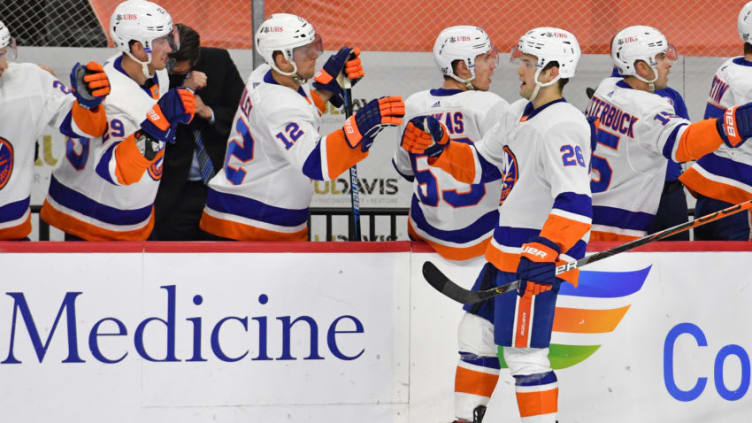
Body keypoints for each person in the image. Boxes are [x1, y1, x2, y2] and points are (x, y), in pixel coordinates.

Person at [403, 27, 592, 423]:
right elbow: (480, 165)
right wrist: (441, 149)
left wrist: (550, 249)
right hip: (502, 252)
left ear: (552, 70)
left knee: (526, 356)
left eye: (527, 63)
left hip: (533, 257)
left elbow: (575, 201)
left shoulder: (565, 124)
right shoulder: (517, 111)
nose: (517, 69)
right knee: (475, 336)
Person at [199, 13, 404, 241]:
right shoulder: (279, 104)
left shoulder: (266, 75)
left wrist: (327, 88)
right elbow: (316, 163)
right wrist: (362, 125)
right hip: (253, 226)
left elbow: (298, 114)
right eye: (304, 50)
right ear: (282, 59)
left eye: (314, 45)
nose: (314, 55)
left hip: (247, 212)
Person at [40, 0, 196, 241]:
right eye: (160, 41)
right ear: (136, 48)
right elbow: (113, 169)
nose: (170, 48)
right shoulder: (113, 97)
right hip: (95, 219)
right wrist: (159, 124)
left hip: (131, 213)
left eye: (168, 38)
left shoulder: (155, 72)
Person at [585, 25, 752, 241]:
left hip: (596, 214)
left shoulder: (606, 88)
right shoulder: (649, 107)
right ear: (642, 67)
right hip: (623, 227)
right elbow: (685, 144)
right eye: (661, 57)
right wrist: (740, 121)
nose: (669, 63)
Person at [393, 25, 508, 261]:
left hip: (425, 233)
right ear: (463, 66)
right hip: (484, 238)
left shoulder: (414, 105)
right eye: (486, 58)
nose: (493, 64)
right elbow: (514, 174)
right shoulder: (491, 105)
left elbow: (406, 170)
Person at [0, 19, 111, 240]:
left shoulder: (30, 80)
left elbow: (81, 127)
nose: (3, 65)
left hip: (12, 237)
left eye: (3, 54)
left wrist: (88, 104)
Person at [151, 23, 244, 240]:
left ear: (195, 59)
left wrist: (207, 111)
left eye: (177, 65)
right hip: (174, 188)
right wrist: (185, 89)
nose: (170, 67)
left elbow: (242, 115)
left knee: (219, 256)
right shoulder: (156, 68)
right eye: (168, 59)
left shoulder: (219, 61)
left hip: (217, 184)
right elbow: (153, 116)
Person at [679, 1, 752, 240]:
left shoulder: (730, 65)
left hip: (712, 180)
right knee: (736, 273)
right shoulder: (747, 83)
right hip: (736, 190)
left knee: (709, 265)